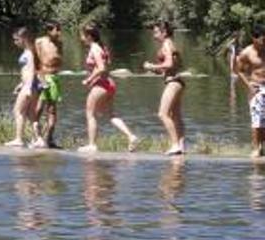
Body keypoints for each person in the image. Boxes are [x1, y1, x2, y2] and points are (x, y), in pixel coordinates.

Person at [78, 23, 138, 153]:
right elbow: (105, 64)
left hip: (101, 84)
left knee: (90, 113)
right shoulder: (101, 47)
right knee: (110, 115)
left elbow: (101, 67)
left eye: (82, 35)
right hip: (109, 84)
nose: (81, 38)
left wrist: (89, 79)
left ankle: (92, 145)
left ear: (89, 36)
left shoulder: (94, 48)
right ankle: (131, 136)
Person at [143, 20, 186, 155]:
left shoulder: (167, 44)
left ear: (164, 32)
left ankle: (175, 145)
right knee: (176, 116)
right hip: (177, 82)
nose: (154, 35)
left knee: (162, 114)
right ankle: (181, 145)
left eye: (156, 32)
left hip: (173, 83)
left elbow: (168, 64)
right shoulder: (169, 44)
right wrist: (154, 70)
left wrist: (152, 66)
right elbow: (167, 68)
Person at [7, 27, 43, 148]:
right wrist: (21, 84)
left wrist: (27, 87)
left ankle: (18, 139)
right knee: (31, 114)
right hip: (30, 85)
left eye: (17, 39)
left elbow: (32, 69)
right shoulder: (30, 52)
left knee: (18, 111)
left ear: (24, 39)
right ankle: (39, 139)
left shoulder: (29, 53)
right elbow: (26, 71)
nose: (15, 42)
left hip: (29, 86)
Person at [235, 24, 265, 158]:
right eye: (262, 40)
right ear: (254, 38)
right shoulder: (247, 52)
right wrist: (249, 86)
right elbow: (239, 71)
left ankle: (262, 147)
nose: (264, 42)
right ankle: (256, 148)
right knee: (257, 120)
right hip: (256, 88)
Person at [34, 21, 64, 148]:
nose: (59, 33)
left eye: (59, 30)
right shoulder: (39, 42)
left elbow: (60, 59)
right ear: (49, 31)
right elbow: (36, 62)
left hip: (54, 78)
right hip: (42, 77)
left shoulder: (60, 43)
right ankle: (36, 137)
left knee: (52, 110)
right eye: (56, 30)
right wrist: (41, 78)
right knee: (38, 108)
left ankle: (49, 139)